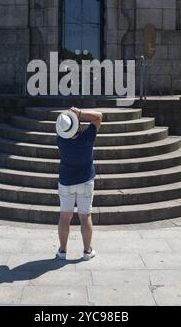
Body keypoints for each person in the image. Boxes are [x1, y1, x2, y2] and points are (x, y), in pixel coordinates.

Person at [55, 106, 103, 261]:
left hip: (66, 181)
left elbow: (63, 127)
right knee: (85, 216)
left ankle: (62, 250)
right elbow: (98, 117)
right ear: (76, 124)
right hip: (86, 181)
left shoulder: (60, 139)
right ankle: (87, 251)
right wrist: (80, 113)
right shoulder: (88, 137)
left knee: (64, 217)